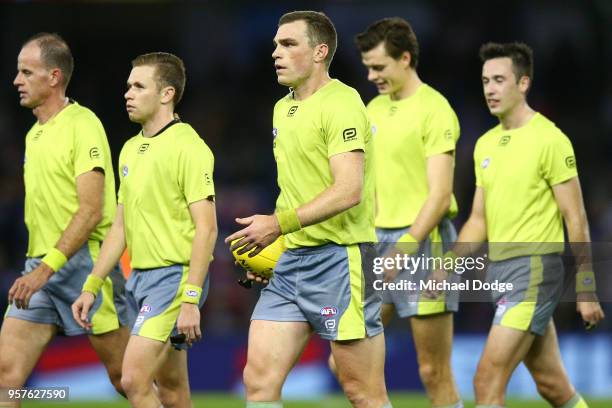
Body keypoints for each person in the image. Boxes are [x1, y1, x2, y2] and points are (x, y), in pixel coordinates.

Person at [226, 10, 390, 408]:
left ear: (320, 52)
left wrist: (277, 226)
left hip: (342, 260)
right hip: (291, 263)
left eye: (288, 44)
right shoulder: (283, 108)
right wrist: (273, 249)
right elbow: (295, 190)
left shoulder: (343, 103)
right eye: (275, 45)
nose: (275, 53)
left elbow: (348, 190)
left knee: (362, 393)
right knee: (259, 381)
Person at [433, 42, 605, 407]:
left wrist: (586, 288)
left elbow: (576, 218)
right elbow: (479, 220)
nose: (490, 89)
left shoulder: (551, 140)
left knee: (486, 378)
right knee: (552, 385)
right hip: (501, 271)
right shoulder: (485, 145)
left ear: (523, 83)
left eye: (499, 80)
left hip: (535, 271)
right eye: (485, 81)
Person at [328, 17, 463, 408]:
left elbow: (440, 195)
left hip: (422, 243)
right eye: (368, 67)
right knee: (346, 363)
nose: (371, 75)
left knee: (432, 372)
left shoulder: (435, 110)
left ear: (405, 58)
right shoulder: (371, 109)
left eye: (379, 67)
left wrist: (404, 246)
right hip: (376, 242)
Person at [72, 52, 217, 408]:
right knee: (172, 391)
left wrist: (191, 300)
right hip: (140, 280)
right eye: (127, 86)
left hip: (175, 280)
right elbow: (121, 226)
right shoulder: (130, 150)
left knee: (133, 379)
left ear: (166, 94)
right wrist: (92, 285)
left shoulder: (189, 147)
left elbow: (207, 229)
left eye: (139, 86)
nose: (128, 93)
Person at [0, 32, 129, 404]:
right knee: (8, 376)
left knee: (126, 379)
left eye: (26, 72)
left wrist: (46, 269)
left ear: (53, 77)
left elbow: (90, 210)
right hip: (39, 268)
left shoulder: (82, 125)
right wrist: (38, 268)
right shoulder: (33, 135)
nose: (16, 81)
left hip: (84, 265)